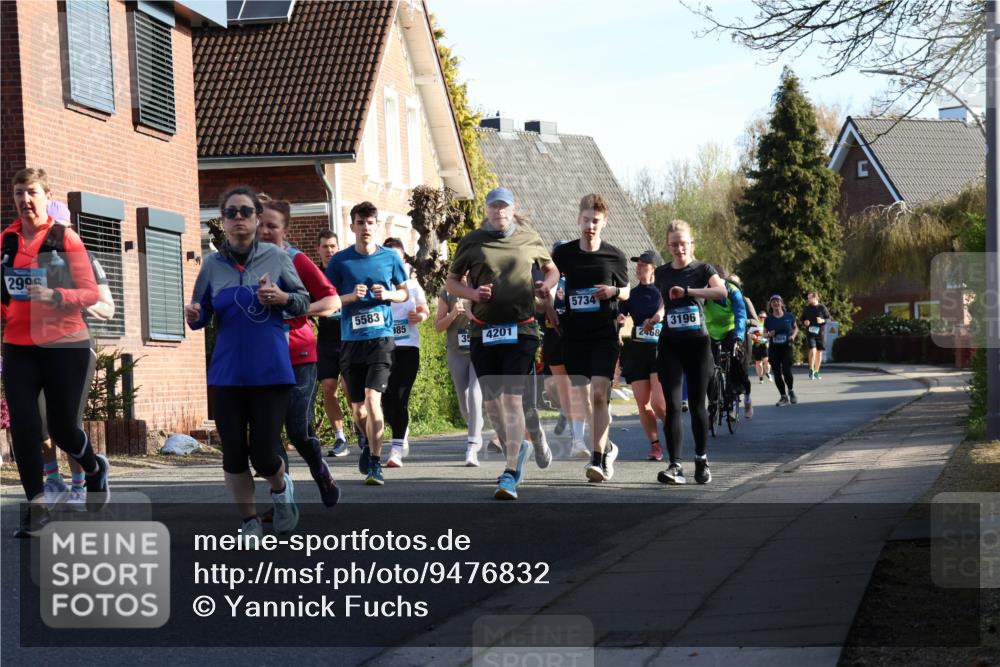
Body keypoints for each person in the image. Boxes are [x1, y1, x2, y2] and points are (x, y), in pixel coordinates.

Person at [187, 186, 310, 537]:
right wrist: (193, 313)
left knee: (265, 455)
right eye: (231, 213)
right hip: (227, 374)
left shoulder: (276, 256)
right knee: (234, 455)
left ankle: (281, 486)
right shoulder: (211, 266)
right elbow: (200, 316)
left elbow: (303, 302)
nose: (238, 218)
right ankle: (249, 521)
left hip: (270, 372)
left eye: (245, 212)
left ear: (257, 219)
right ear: (223, 221)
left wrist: (283, 296)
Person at [2, 168, 111, 536]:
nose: (24, 200)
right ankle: (38, 508)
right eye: (18, 193)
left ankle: (94, 469)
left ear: (45, 196)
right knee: (24, 427)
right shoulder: (7, 240)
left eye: (31, 192)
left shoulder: (65, 239)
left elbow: (92, 293)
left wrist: (57, 296)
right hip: (19, 345)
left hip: (65, 344)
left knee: (64, 429)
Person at [446, 187, 559, 500]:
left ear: (512, 209)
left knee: (511, 400)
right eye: (494, 207)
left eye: (504, 207)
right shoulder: (471, 242)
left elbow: (552, 269)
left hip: (521, 331)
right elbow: (452, 282)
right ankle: (519, 444)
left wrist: (545, 286)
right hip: (483, 331)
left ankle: (510, 471)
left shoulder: (529, 238)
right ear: (487, 210)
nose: (499, 212)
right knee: (492, 405)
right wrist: (472, 295)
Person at [257, 198, 341, 507]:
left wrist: (292, 303)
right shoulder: (240, 262)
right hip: (260, 359)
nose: (264, 231)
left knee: (297, 429)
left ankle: (320, 470)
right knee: (269, 434)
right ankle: (283, 502)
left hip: (298, 355)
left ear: (284, 229)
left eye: (272, 226)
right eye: (259, 224)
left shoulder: (296, 259)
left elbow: (333, 302)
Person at [324, 202, 409, 486]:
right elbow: (329, 299)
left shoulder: (390, 258)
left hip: (381, 340)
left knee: (374, 401)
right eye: (360, 223)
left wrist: (387, 294)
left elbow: (404, 294)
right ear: (353, 227)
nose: (366, 228)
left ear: (376, 225)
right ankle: (366, 438)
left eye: (370, 222)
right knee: (358, 410)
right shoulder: (340, 262)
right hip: (351, 341)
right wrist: (349, 297)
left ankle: (374, 461)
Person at [39, 200, 115, 511]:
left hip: (73, 348)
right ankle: (52, 478)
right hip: (36, 348)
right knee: (36, 421)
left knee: (66, 423)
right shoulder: (30, 258)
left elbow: (108, 309)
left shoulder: (86, 260)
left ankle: (80, 483)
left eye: (57, 228)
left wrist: (76, 301)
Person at [550, 193, 629, 483]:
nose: (590, 226)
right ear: (578, 220)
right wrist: (548, 306)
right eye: (585, 220)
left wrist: (613, 292)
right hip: (574, 335)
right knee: (583, 396)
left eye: (595, 221)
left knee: (599, 393)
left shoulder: (615, 256)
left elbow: (627, 290)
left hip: (604, 334)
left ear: (603, 222)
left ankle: (597, 461)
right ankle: (607, 447)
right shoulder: (564, 254)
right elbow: (550, 282)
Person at [643, 220, 727, 486]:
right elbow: (664, 302)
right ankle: (675, 465)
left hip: (698, 345)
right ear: (667, 246)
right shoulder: (663, 273)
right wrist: (656, 317)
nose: (679, 248)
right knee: (672, 406)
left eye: (683, 243)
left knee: (698, 404)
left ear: (692, 243)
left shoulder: (703, 269)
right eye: (674, 244)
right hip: (670, 345)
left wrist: (689, 291)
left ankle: (701, 461)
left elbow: (721, 291)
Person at [380, 238, 429, 468]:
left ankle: (396, 449)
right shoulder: (378, 285)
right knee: (385, 401)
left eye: (397, 258)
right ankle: (401, 429)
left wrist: (419, 316)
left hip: (408, 348)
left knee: (400, 397)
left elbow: (424, 310)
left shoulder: (412, 286)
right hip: (382, 348)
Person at [436, 278, 490, 466]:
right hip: (456, 351)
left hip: (480, 349)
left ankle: (472, 446)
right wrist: (453, 314)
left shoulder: (483, 289)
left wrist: (471, 311)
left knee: (475, 394)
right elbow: (438, 327)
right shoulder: (448, 292)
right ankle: (476, 426)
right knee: (465, 401)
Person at [619, 250, 666, 461]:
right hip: (638, 352)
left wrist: (657, 319)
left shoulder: (663, 292)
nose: (638, 269)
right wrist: (620, 318)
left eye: (643, 265)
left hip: (660, 351)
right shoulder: (632, 294)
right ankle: (655, 445)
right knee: (642, 403)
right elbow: (621, 313)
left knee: (658, 403)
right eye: (637, 265)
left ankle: (672, 429)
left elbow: (668, 312)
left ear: (653, 269)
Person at [315, 230, 353, 458]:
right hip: (326, 340)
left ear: (338, 248)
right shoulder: (315, 276)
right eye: (325, 247)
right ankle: (340, 438)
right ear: (319, 250)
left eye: (332, 246)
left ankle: (362, 432)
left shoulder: (346, 272)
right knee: (328, 388)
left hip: (349, 338)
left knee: (351, 391)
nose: (329, 251)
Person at [704, 266, 753, 420]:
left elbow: (740, 315)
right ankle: (713, 402)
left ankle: (742, 399)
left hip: (731, 330)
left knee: (737, 364)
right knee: (708, 370)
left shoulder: (733, 291)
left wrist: (739, 337)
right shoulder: (704, 291)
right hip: (711, 332)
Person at [764, 294, 799, 406]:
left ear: (781, 303)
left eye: (777, 301)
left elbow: (796, 328)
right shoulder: (768, 320)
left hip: (786, 347)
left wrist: (793, 336)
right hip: (774, 349)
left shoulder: (789, 316)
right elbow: (764, 334)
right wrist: (769, 334)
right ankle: (783, 396)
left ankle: (791, 390)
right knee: (777, 374)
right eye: (773, 301)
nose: (775, 303)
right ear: (771, 305)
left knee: (787, 371)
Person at [802, 291, 831, 380]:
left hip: (820, 334)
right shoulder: (807, 308)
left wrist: (822, 321)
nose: (808, 299)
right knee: (813, 351)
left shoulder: (822, 307)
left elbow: (828, 318)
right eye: (808, 298)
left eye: (809, 298)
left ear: (815, 298)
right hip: (810, 333)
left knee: (819, 353)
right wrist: (805, 322)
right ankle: (811, 370)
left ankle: (816, 372)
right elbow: (802, 318)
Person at [751, 309, 772, 383]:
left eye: (764, 317)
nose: (763, 319)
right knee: (758, 362)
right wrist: (752, 335)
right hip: (756, 344)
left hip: (765, 344)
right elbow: (748, 334)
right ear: (758, 317)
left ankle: (767, 373)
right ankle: (760, 377)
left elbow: (771, 334)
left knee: (766, 361)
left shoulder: (768, 324)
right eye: (761, 317)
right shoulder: (754, 324)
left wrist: (769, 340)